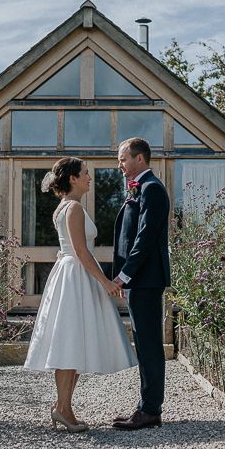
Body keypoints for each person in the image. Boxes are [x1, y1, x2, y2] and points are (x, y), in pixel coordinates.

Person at [24, 157, 136, 433]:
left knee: (71, 342)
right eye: (85, 173)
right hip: (76, 275)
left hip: (72, 274)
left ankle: (63, 407)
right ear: (73, 178)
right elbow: (81, 251)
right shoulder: (72, 208)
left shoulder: (66, 206)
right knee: (69, 342)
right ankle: (63, 409)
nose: (89, 177)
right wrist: (106, 282)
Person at [111, 138, 171, 430]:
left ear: (139, 159)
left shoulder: (152, 189)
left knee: (149, 346)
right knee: (143, 343)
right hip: (139, 281)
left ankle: (150, 410)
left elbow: (145, 238)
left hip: (146, 280)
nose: (119, 165)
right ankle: (146, 407)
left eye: (123, 159)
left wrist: (124, 275)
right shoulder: (140, 188)